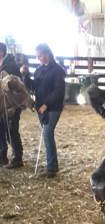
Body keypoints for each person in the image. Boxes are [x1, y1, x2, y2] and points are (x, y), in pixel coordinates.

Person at [21, 43, 65, 178]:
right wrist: (26, 75)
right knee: (47, 135)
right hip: (40, 107)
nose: (38, 58)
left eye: (40, 55)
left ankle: (51, 167)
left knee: (47, 133)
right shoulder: (39, 70)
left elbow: (59, 91)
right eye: (37, 56)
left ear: (47, 54)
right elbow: (34, 87)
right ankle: (52, 165)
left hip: (53, 107)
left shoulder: (58, 70)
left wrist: (46, 104)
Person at [0, 42, 24, 168]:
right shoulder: (2, 64)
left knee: (11, 130)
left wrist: (15, 106)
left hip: (11, 104)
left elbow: (16, 86)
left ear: (1, 52)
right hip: (1, 104)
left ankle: (17, 158)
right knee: (1, 130)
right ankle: (2, 156)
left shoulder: (10, 66)